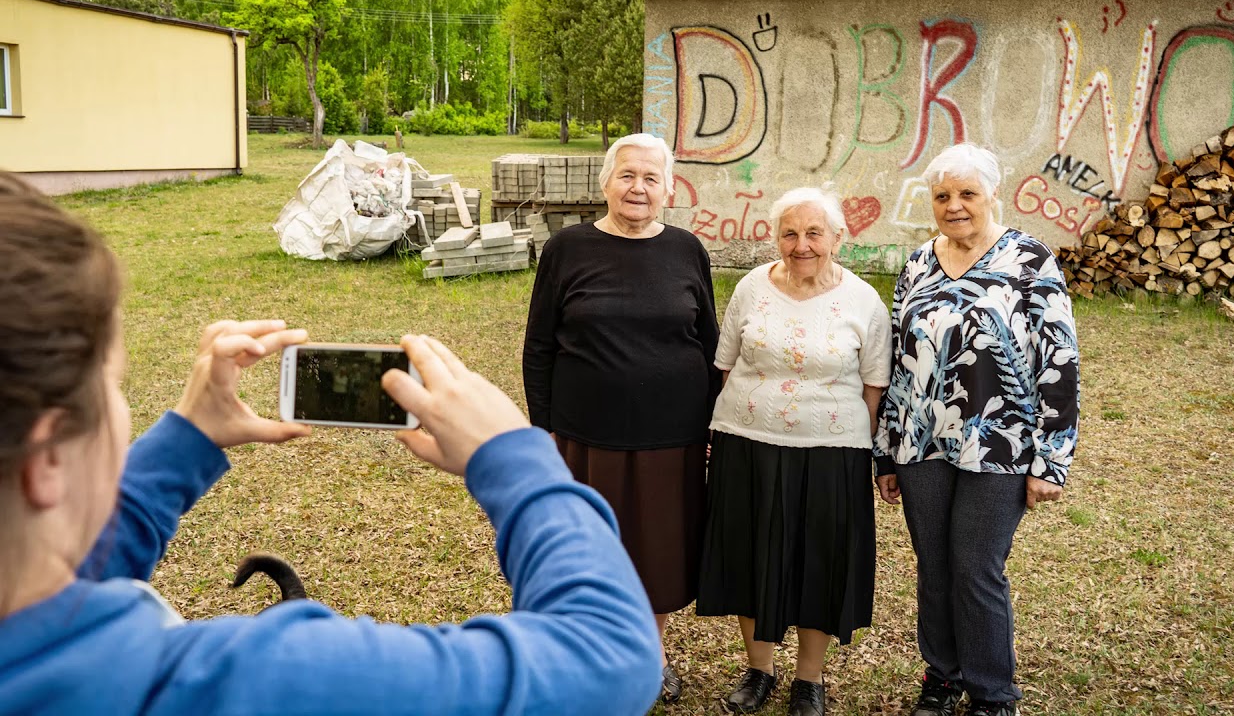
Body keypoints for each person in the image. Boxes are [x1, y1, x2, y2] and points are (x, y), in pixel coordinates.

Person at [0, 175, 663, 716]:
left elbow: (52, 570)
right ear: (50, 456)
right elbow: (611, 656)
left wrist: (186, 440)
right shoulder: (238, 683)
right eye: (112, 385)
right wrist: (516, 458)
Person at [873, 144, 1080, 716]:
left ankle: (992, 692)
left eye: (968, 194)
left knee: (976, 566)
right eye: (943, 196)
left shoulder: (1030, 259)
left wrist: (1051, 459)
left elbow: (1059, 362)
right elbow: (895, 357)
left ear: (994, 195)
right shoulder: (917, 262)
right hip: (920, 442)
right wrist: (886, 453)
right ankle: (942, 676)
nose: (955, 206)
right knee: (934, 565)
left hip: (1002, 443)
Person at [522, 133, 721, 702]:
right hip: (585, 435)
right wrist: (545, 431)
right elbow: (539, 347)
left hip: (673, 436)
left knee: (659, 552)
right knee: (587, 551)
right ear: (605, 182)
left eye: (651, 178)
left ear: (668, 189)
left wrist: (709, 426)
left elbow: (708, 345)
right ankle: (586, 656)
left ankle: (650, 656)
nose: (638, 187)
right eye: (628, 175)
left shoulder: (688, 251)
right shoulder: (567, 250)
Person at [697, 187, 891, 716]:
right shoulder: (750, 287)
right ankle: (759, 670)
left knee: (820, 562)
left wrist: (859, 449)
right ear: (775, 237)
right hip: (746, 443)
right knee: (749, 556)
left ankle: (809, 680)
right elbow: (725, 364)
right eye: (789, 232)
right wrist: (717, 433)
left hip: (832, 451)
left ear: (837, 238)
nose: (801, 244)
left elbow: (874, 384)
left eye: (813, 233)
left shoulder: (863, 301)